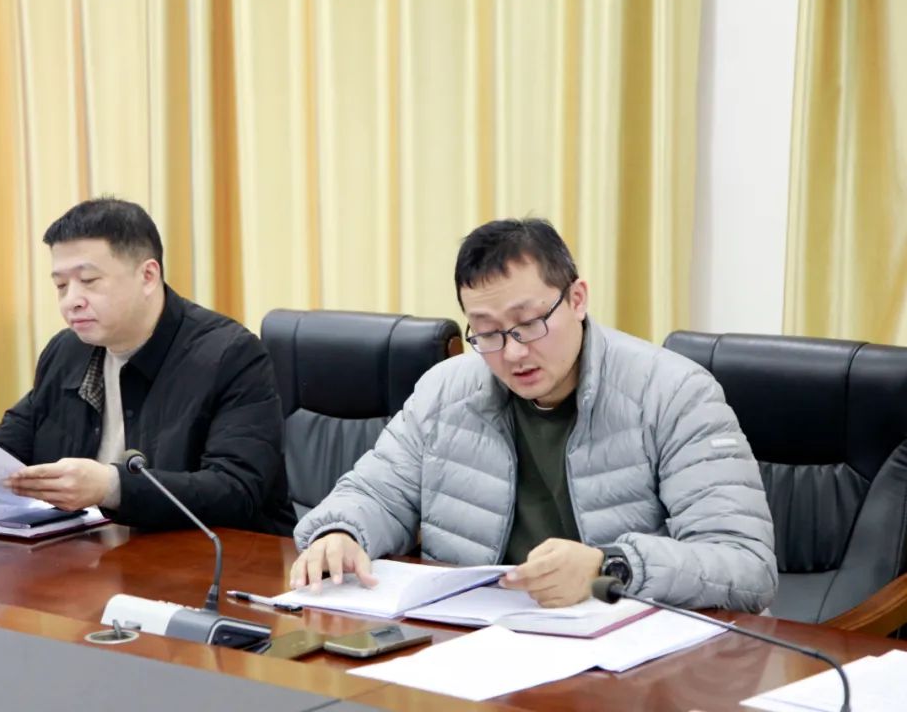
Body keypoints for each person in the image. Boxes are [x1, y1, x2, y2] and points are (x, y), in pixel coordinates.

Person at [290, 218, 777, 611]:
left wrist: (610, 566)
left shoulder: (673, 394)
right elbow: (375, 492)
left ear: (577, 299)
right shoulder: (444, 390)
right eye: (487, 333)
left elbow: (746, 566)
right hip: (479, 641)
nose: (513, 352)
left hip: (626, 654)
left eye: (528, 323)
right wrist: (341, 532)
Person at [0, 197, 296, 535]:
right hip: (100, 562)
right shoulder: (67, 351)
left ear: (148, 276)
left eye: (89, 281)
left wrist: (111, 487)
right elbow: (8, 452)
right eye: (60, 285)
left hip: (219, 568)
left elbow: (236, 491)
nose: (71, 300)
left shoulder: (230, 355)